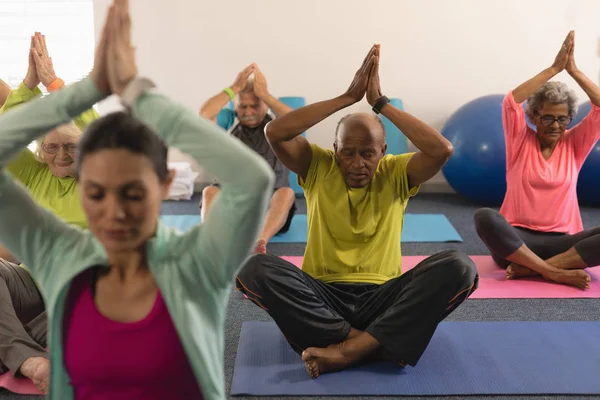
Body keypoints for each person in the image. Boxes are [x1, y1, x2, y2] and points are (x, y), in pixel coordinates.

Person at [0, 1, 274, 399]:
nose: (114, 211)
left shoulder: (197, 262)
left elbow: (252, 178)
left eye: (132, 192)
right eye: (96, 193)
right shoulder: (61, 255)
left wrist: (135, 91)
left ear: (163, 185)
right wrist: (88, 87)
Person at [235, 44, 478, 379]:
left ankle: (347, 350)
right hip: (322, 300)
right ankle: (374, 344)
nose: (357, 163)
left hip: (385, 299)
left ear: (383, 151)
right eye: (347, 153)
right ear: (335, 150)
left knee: (460, 266)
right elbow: (275, 131)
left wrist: (380, 103)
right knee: (252, 267)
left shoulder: (396, 172)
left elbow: (442, 149)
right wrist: (348, 97)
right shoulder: (318, 166)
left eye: (367, 153)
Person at [0, 32, 100, 393]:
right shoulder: (33, 173)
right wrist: (27, 85)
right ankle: (29, 358)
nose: (60, 154)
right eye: (51, 147)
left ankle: (20, 345)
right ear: (41, 150)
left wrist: (54, 83)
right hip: (33, 283)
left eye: (71, 146)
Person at [474, 31, 600, 290]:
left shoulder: (575, 143)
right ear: (533, 117)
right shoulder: (520, 139)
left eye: (562, 119)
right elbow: (511, 101)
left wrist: (574, 71)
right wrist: (554, 68)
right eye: (547, 118)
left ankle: (538, 269)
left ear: (569, 119)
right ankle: (554, 271)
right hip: (517, 242)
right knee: (485, 217)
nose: (555, 125)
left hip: (565, 242)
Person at [199, 64, 296, 254]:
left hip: (269, 205)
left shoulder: (276, 125)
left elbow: (295, 119)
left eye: (255, 105)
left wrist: (265, 95)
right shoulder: (229, 120)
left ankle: (259, 242)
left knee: (286, 193)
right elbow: (204, 115)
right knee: (209, 191)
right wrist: (234, 88)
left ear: (265, 105)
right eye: (243, 106)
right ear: (235, 107)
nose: (248, 111)